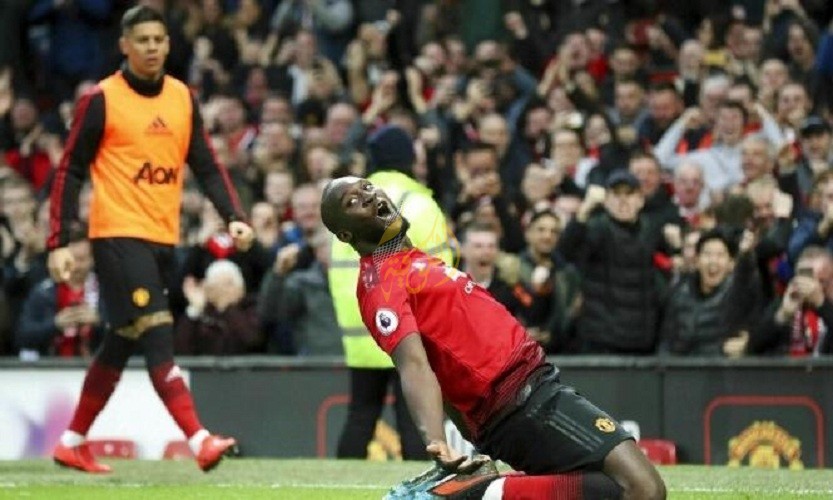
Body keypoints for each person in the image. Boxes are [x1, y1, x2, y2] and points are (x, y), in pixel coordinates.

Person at [320, 176, 666, 500]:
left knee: (609, 488)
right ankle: (478, 491)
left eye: (368, 187)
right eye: (354, 201)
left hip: (530, 393)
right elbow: (414, 365)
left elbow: (444, 361)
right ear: (346, 235)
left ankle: (484, 490)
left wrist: (473, 434)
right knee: (645, 489)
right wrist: (437, 440)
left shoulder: (409, 261)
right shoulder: (381, 286)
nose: (369, 196)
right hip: (522, 404)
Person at [46, 6, 253, 474]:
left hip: (162, 236)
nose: (152, 48)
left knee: (121, 339)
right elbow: (70, 169)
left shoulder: (181, 97)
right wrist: (58, 241)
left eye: (159, 39)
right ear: (124, 45)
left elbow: (206, 164)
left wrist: (234, 217)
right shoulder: (102, 99)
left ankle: (71, 441)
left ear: (167, 43)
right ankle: (200, 439)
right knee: (158, 330)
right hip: (117, 233)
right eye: (142, 40)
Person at [329, 125, 453, 460]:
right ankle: (420, 480)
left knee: (360, 414)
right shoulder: (419, 203)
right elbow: (440, 272)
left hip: (361, 330)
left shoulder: (348, 205)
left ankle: (339, 483)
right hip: (408, 326)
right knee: (414, 416)